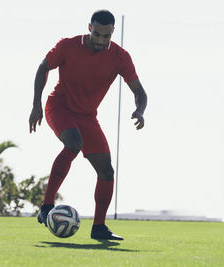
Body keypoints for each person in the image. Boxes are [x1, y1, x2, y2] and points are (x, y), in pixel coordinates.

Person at [29, 9, 147, 241]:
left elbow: (139, 91)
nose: (101, 40)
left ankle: (99, 228)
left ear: (113, 32)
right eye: (97, 34)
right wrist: (36, 104)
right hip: (59, 107)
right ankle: (46, 207)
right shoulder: (68, 45)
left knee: (106, 170)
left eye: (106, 36)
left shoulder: (121, 57)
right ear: (89, 28)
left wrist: (140, 110)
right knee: (73, 144)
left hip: (87, 117)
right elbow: (43, 67)